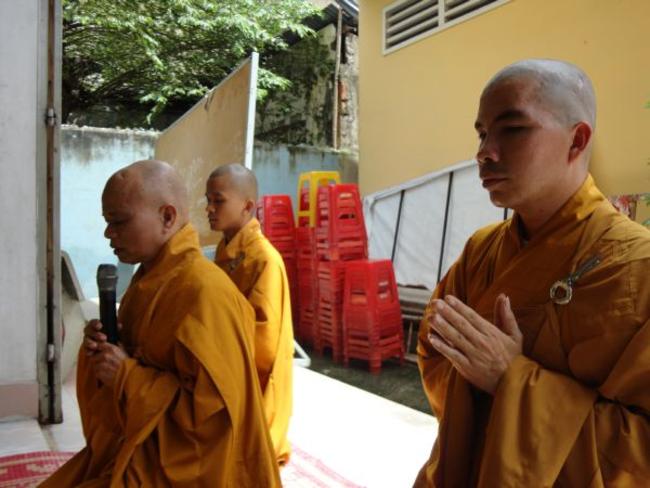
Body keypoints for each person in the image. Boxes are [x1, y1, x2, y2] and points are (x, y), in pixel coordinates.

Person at [414, 59, 650, 487]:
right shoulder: (480, 251)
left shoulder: (638, 267)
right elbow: (434, 356)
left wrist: (512, 381)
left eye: (513, 128)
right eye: (482, 133)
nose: (485, 152)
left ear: (577, 140)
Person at [41, 160, 280, 487]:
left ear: (167, 217)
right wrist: (104, 351)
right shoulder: (149, 279)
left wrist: (126, 375)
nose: (108, 233)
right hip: (140, 449)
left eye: (119, 221)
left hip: (189, 470)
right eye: (107, 222)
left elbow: (212, 426)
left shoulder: (206, 292)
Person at [205, 163, 294, 465]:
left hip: (251, 382)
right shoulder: (226, 252)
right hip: (225, 370)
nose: (209, 209)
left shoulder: (264, 260)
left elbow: (263, 344)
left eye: (218, 201)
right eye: (208, 200)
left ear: (247, 206)